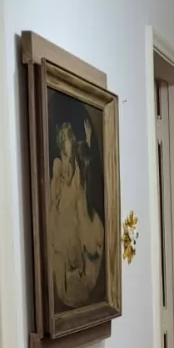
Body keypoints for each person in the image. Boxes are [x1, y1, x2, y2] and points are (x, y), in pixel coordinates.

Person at [49, 120, 105, 308]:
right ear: (61, 149)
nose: (69, 159)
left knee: (82, 245)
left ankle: (78, 276)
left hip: (74, 218)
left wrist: (88, 138)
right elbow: (54, 196)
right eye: (65, 153)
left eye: (71, 155)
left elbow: (84, 163)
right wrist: (58, 181)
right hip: (62, 219)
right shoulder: (58, 167)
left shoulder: (76, 168)